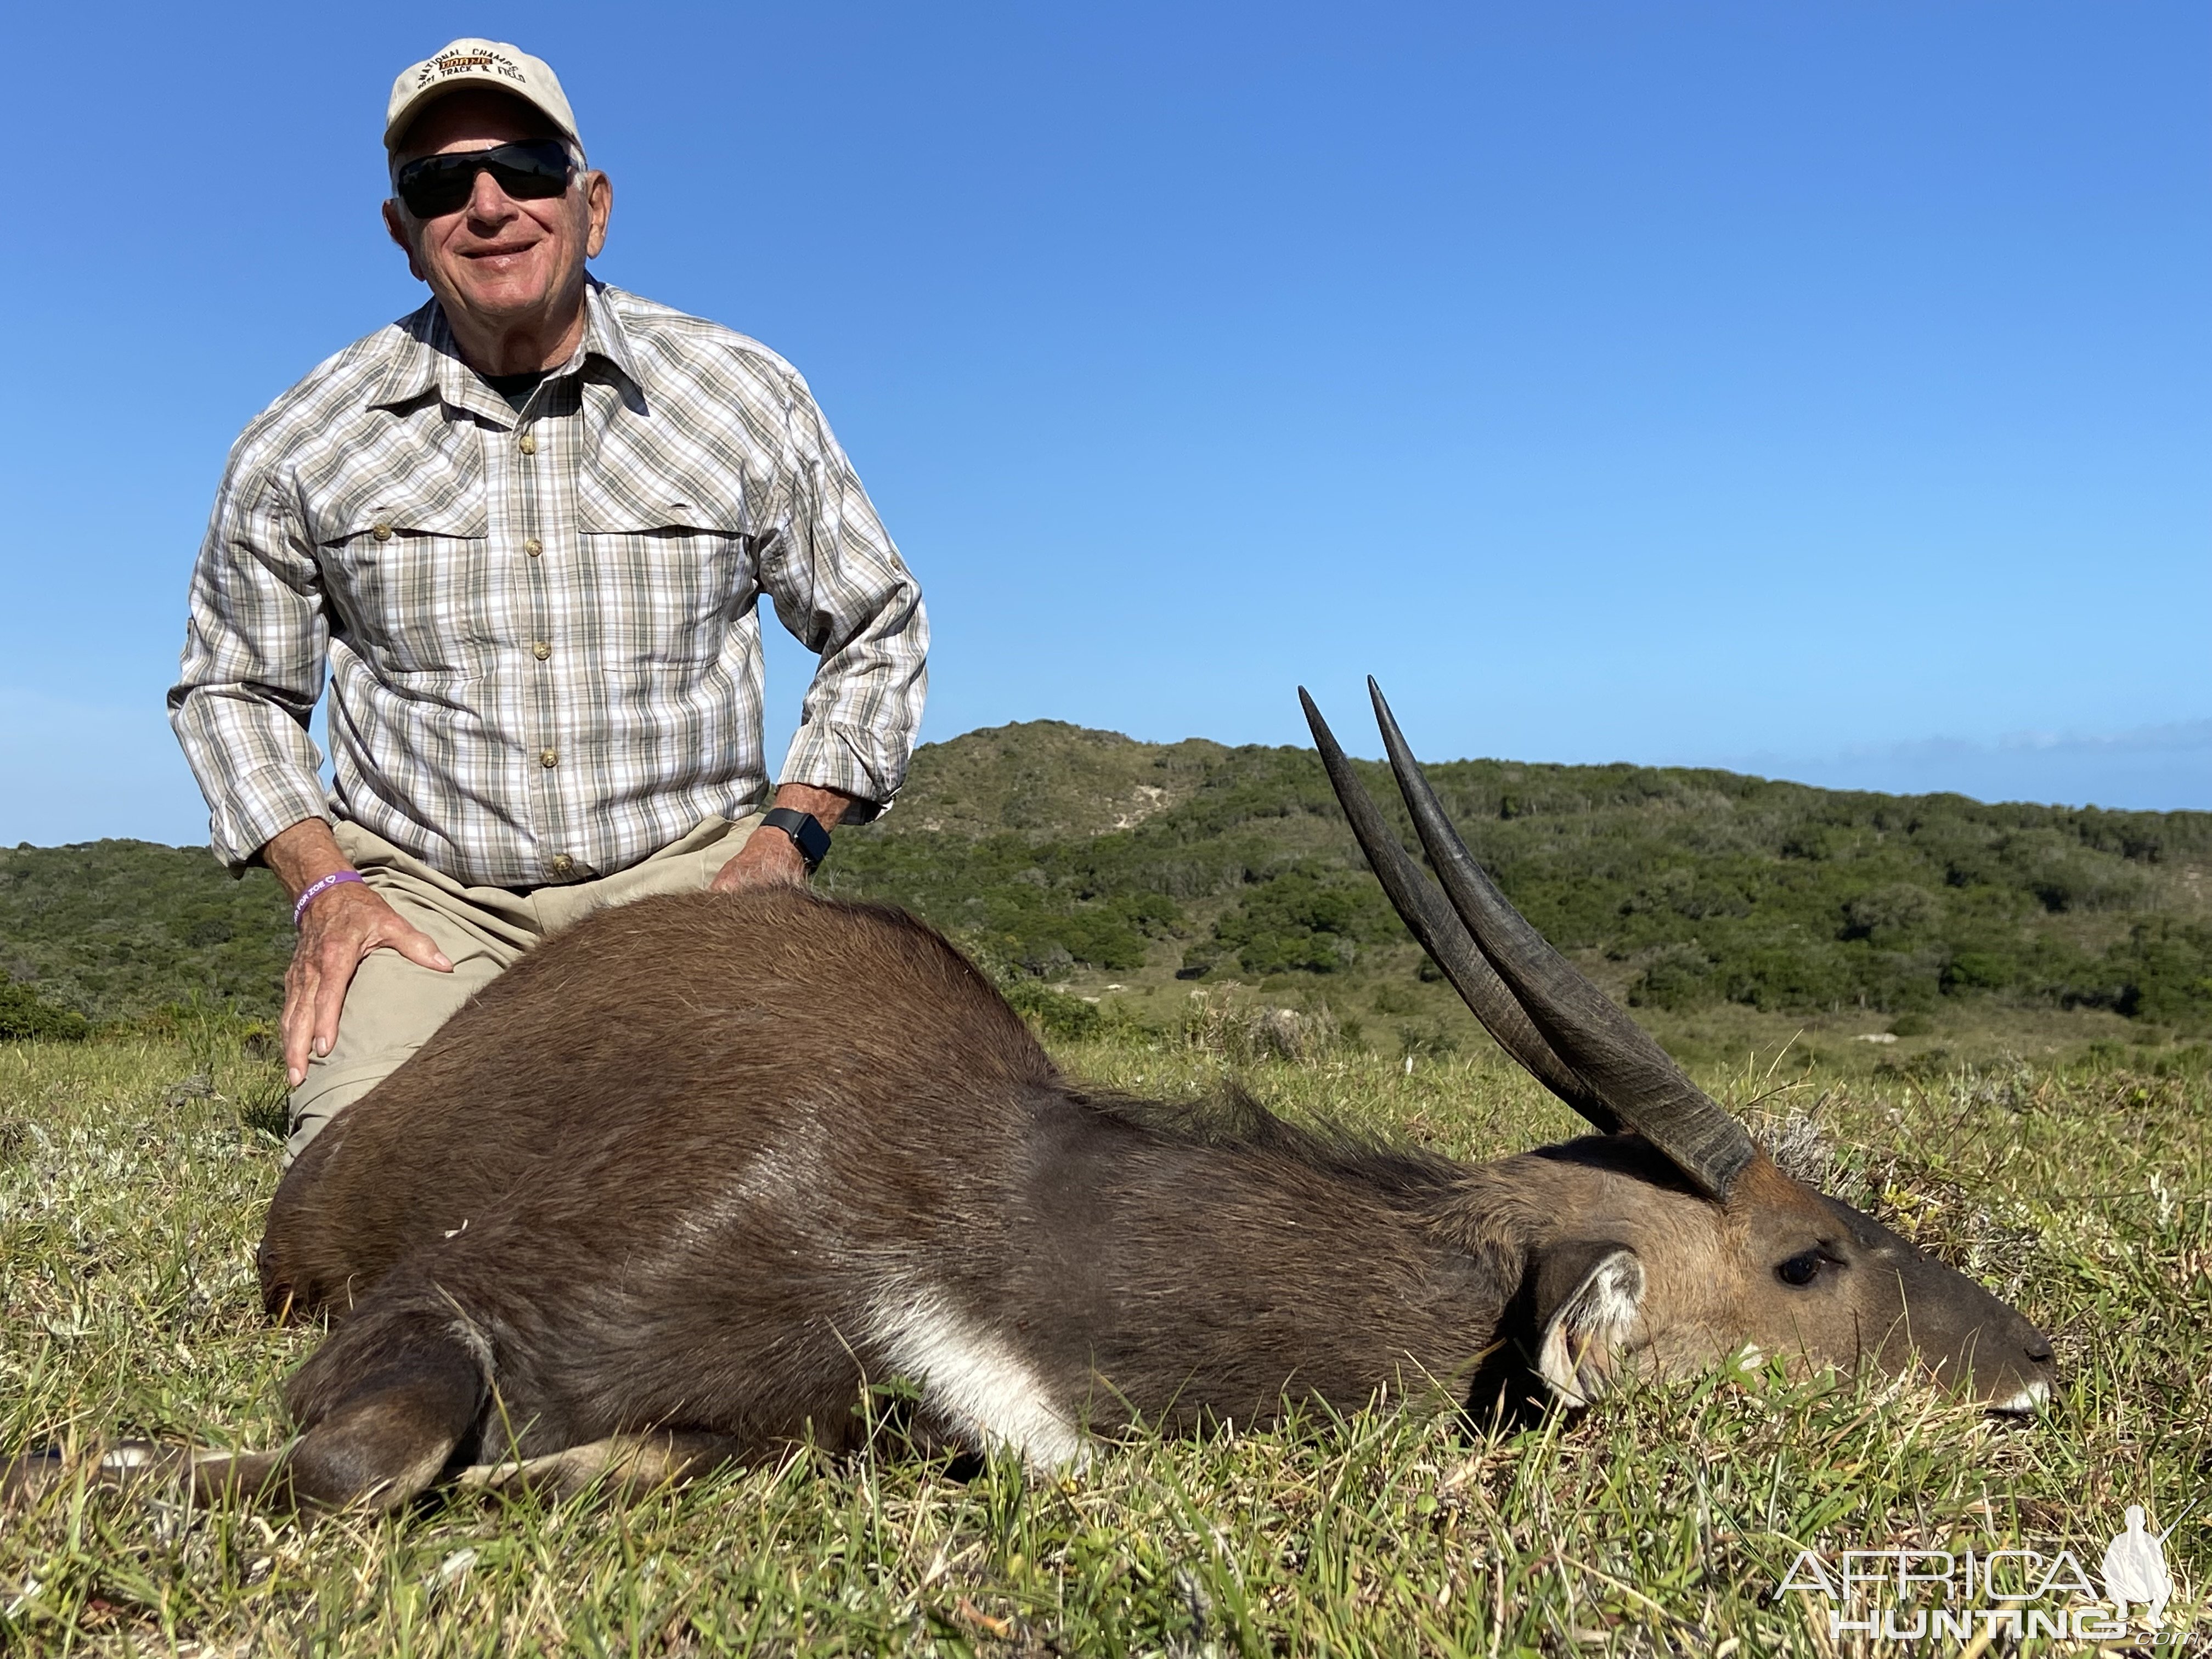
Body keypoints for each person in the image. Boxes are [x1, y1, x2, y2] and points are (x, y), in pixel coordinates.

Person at [169, 40, 927, 1163]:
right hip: (430, 903)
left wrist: (780, 850)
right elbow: (232, 687)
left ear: (593, 205)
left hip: (688, 886)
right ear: (402, 233)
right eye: (440, 184)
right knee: (363, 1200)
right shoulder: (303, 442)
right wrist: (324, 887)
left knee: (808, 1172)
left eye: (525, 168)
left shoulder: (740, 396)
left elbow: (874, 626)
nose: (487, 206)